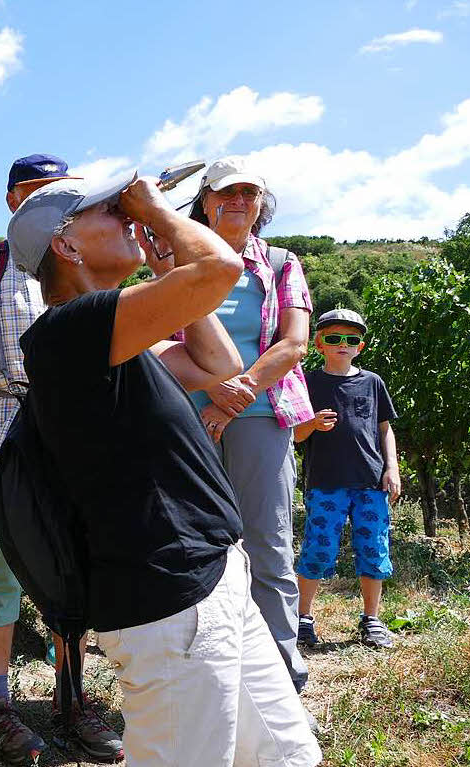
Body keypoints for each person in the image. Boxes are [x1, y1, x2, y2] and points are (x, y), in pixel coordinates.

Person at [6, 172, 322, 766]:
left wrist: (162, 270)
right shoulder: (64, 334)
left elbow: (218, 362)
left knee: (289, 757)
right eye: (107, 210)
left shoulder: (123, 337)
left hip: (215, 580)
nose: (125, 216)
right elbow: (221, 272)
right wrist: (152, 208)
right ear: (66, 246)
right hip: (169, 603)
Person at [0, 154, 123, 764]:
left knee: (76, 567)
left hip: (76, 433)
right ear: (13, 199)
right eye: (39, 191)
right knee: (3, 567)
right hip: (3, 429)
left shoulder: (82, 261)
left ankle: (73, 698)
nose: (53, 201)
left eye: (64, 192)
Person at [186, 158, 315, 694]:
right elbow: (160, 336)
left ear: (261, 204)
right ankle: (209, 663)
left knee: (266, 538)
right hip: (191, 416)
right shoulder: (182, 261)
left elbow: (294, 343)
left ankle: (280, 663)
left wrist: (236, 393)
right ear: (206, 201)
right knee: (198, 541)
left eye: (250, 192)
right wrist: (211, 389)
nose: (238, 200)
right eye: (226, 192)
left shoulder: (283, 263)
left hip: (261, 414)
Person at [294, 309, 400, 649]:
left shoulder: (372, 382)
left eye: (351, 339)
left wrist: (392, 467)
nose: (343, 344)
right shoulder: (307, 383)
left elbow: (385, 429)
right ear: (319, 343)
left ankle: (372, 619)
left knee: (374, 548)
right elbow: (294, 436)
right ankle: (303, 618)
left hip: (370, 483)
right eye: (334, 338)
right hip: (325, 482)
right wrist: (311, 424)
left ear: (360, 347)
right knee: (317, 548)